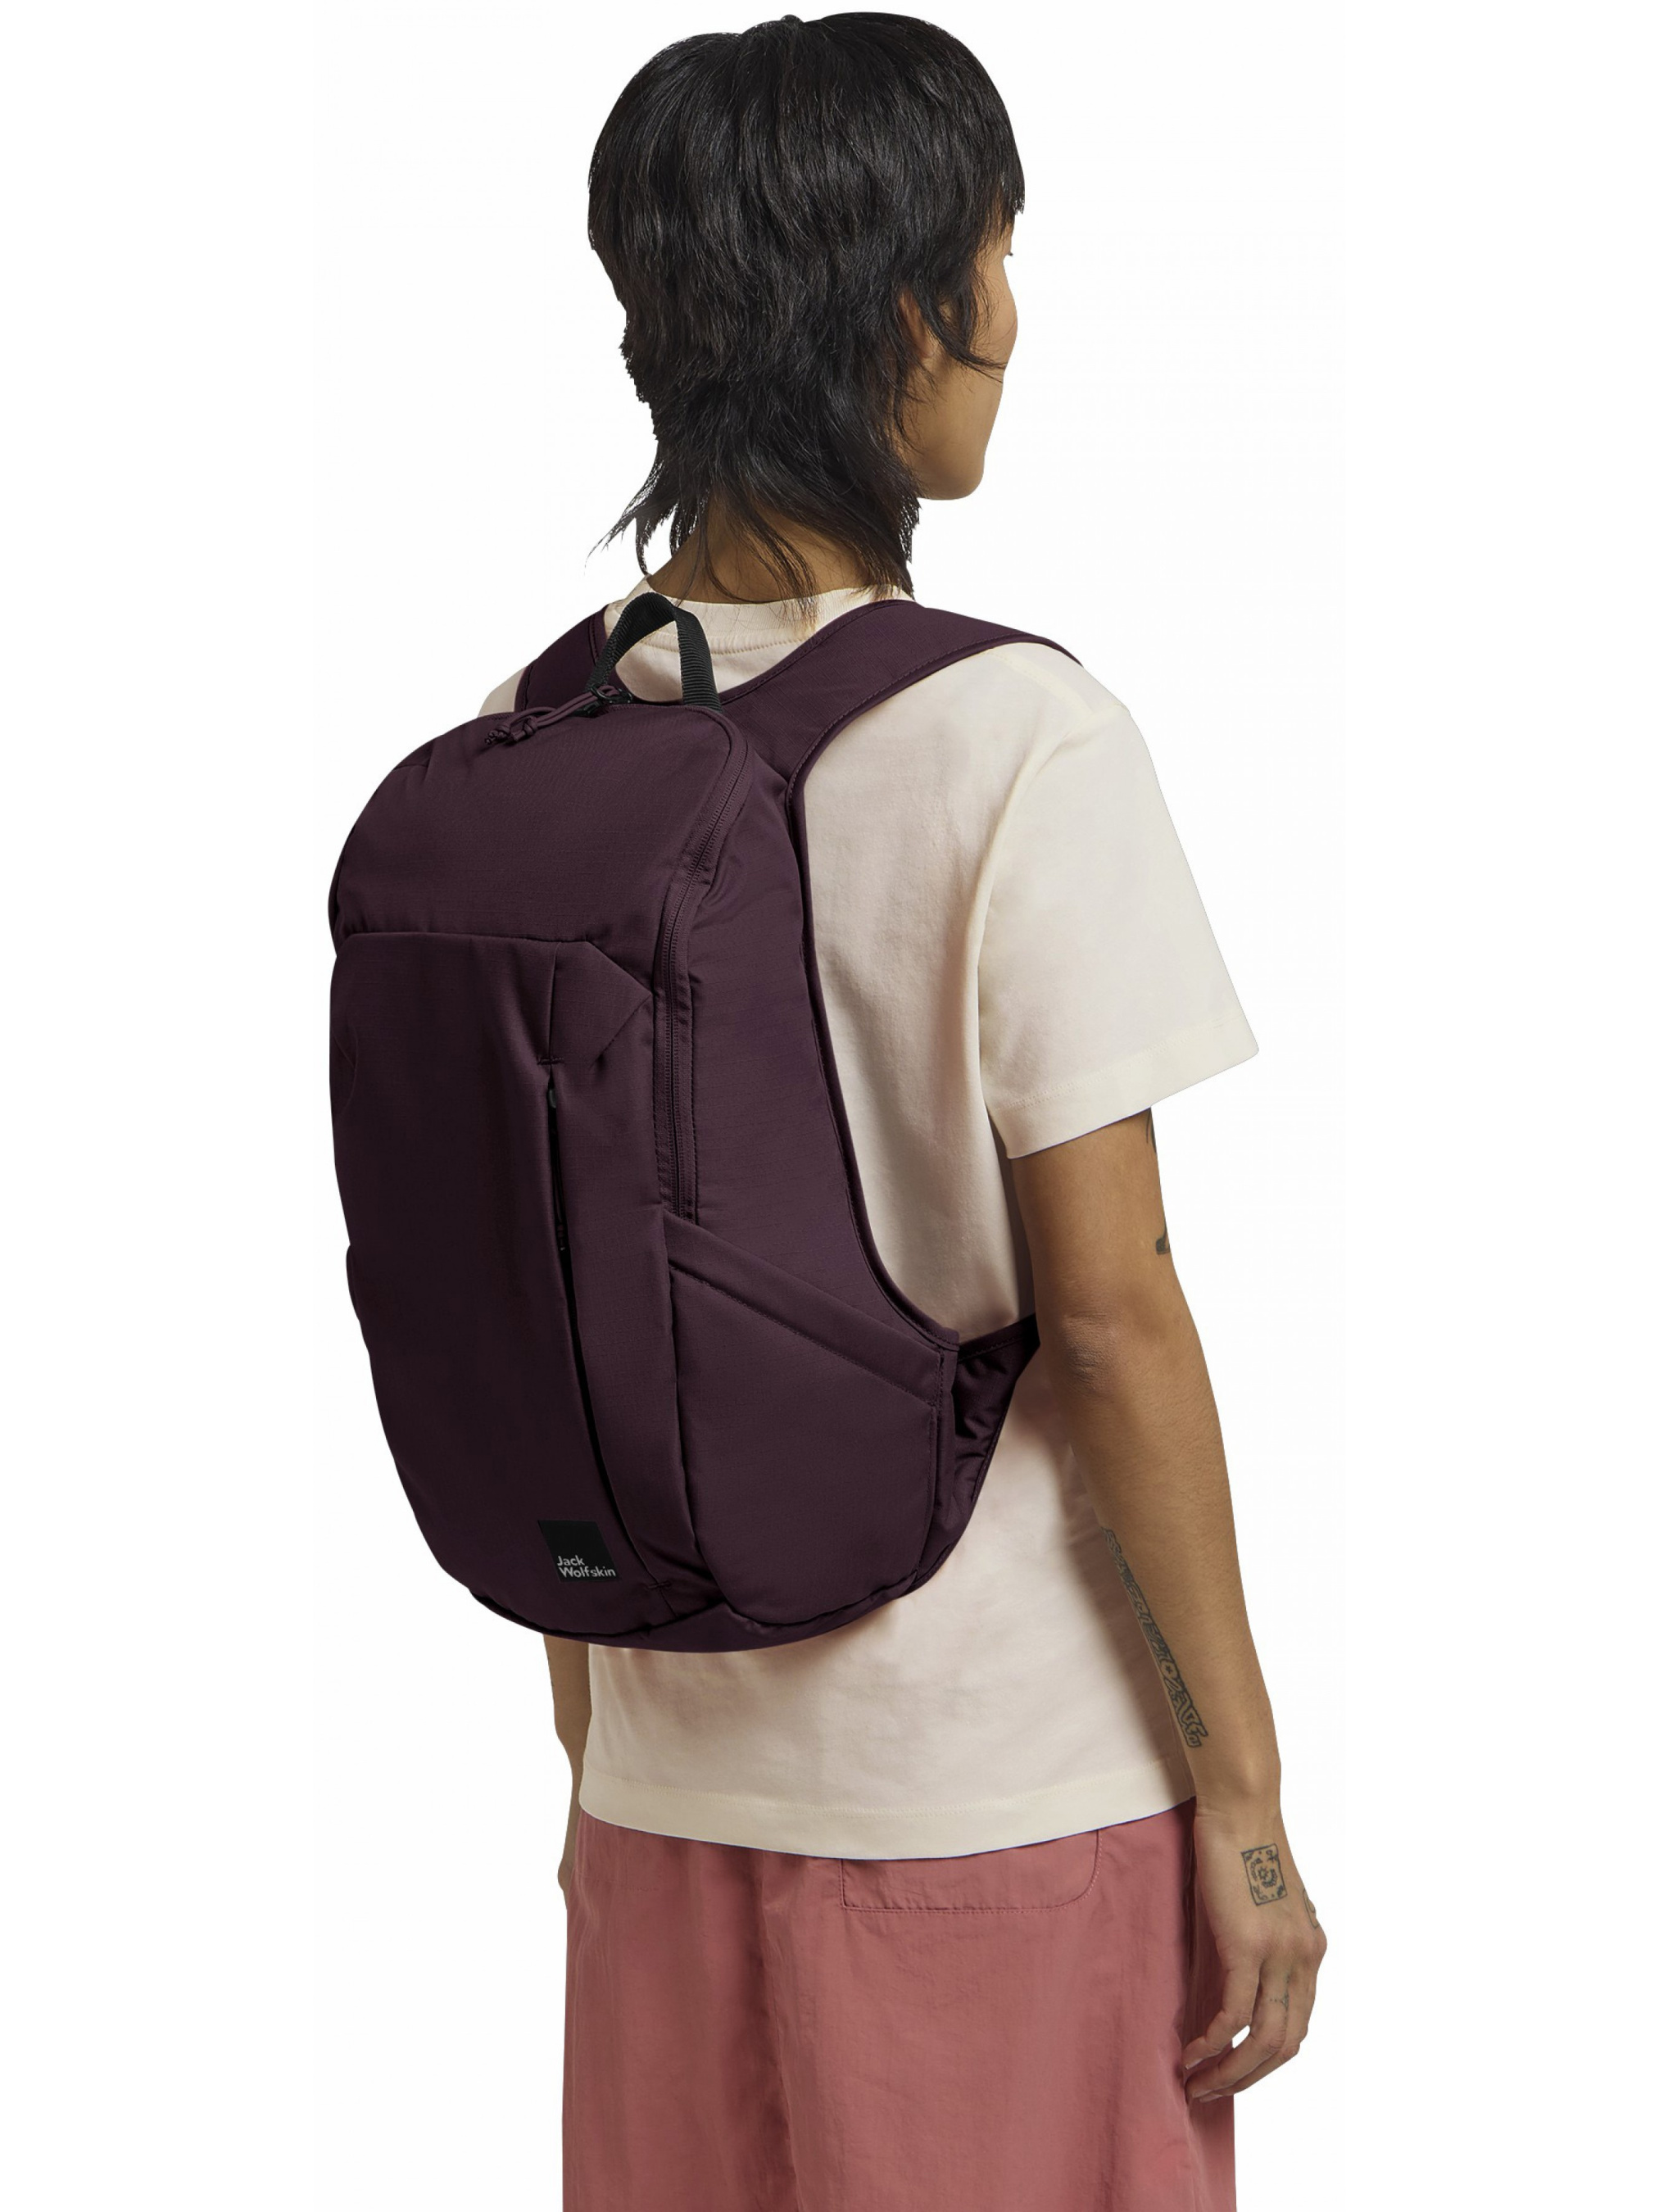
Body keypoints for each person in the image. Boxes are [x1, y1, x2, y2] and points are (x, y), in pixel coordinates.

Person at [482, 16, 1326, 2208]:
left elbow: (548, 1293)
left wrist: (595, 1749)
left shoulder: (531, 742)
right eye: (993, 258)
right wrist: (1247, 1807)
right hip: (996, 1804)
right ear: (898, 310)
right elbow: (1113, 1315)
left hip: (662, 1799)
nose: (1013, 322)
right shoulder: (1016, 738)